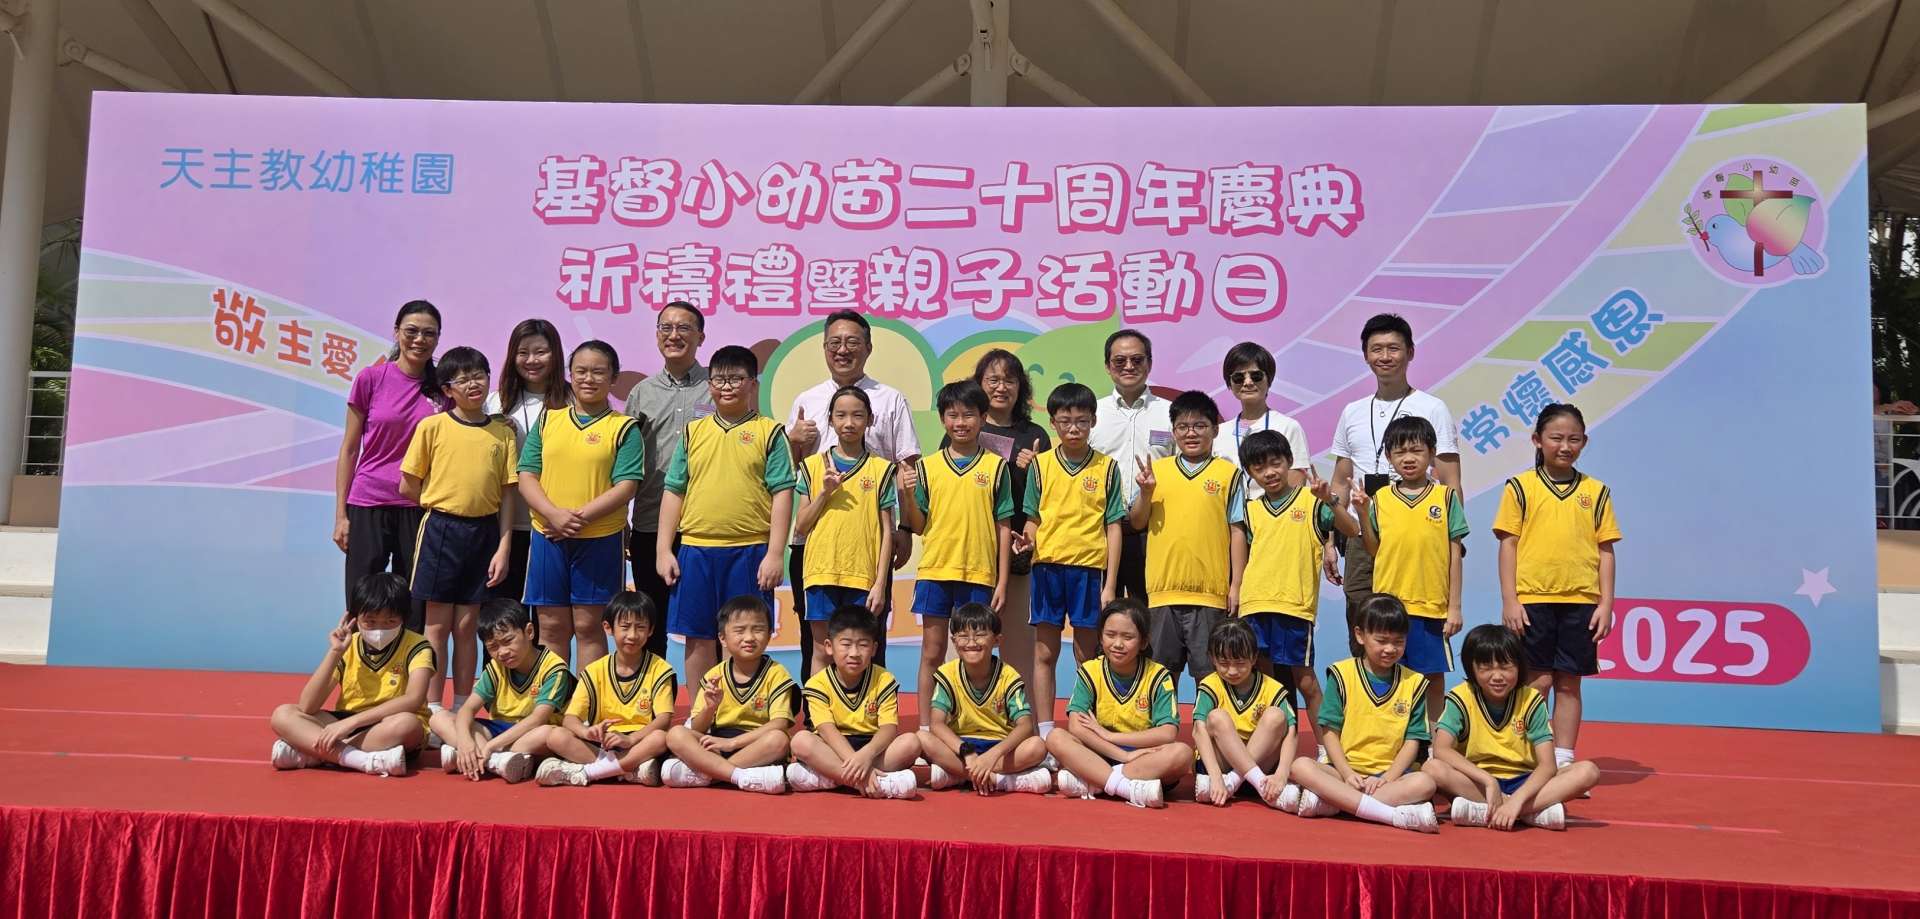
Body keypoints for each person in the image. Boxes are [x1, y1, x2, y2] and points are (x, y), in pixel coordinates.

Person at [787, 310, 921, 677]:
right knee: (815, 641)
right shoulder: (807, 399)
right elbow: (789, 472)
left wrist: (904, 529)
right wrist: (793, 442)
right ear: (824, 347)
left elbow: (906, 466)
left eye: (852, 342)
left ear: (868, 348)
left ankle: (870, 707)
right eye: (834, 343)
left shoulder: (890, 399)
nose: (842, 350)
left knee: (869, 639)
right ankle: (819, 709)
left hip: (867, 544)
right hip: (814, 545)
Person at [658, 345, 796, 690]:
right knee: (698, 637)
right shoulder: (693, 433)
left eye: (736, 379)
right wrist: (664, 550)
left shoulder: (770, 432)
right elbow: (674, 491)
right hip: (696, 550)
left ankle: (740, 712)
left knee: (745, 637)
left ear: (752, 384)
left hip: (749, 551)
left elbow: (782, 493)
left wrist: (774, 553)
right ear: (709, 385)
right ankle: (701, 712)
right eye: (719, 379)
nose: (727, 386)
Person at [1495, 404, 1620, 772]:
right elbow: (1508, 545)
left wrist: (1606, 604)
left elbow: (1606, 550)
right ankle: (1529, 758)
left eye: (1574, 439)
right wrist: (1510, 600)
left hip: (1581, 601)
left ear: (1584, 442)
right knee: (1537, 681)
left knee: (1569, 683)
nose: (1565, 446)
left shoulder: (1596, 492)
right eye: (1556, 438)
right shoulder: (1520, 487)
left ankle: (1563, 760)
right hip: (1532, 600)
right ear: (1537, 440)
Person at [1328, 314, 1459, 650]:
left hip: (1414, 533)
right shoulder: (1352, 411)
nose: (1385, 356)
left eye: (1393, 348)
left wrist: (1452, 541)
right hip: (1361, 532)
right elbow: (1341, 480)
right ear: (1365, 355)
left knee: (1411, 628)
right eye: (1376, 349)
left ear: (1410, 352)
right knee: (1363, 625)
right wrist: (1329, 539)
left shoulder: (1433, 408)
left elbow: (1449, 480)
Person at [399, 346, 517, 714]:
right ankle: (434, 708)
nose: (472, 384)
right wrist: (444, 502)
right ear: (447, 389)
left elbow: (508, 494)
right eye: (462, 379)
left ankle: (464, 707)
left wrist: (504, 546)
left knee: (467, 627)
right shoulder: (432, 427)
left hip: (484, 533)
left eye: (478, 375)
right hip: (440, 530)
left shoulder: (502, 433)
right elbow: (408, 485)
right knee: (436, 626)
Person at [516, 341, 643, 665]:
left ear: (613, 378)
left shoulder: (624, 428)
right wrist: (552, 515)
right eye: (581, 371)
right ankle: (554, 695)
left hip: (600, 540)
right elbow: (527, 475)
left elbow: (626, 486)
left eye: (598, 372)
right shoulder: (548, 420)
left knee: (589, 627)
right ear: (570, 375)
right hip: (548, 536)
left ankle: (587, 696)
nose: (589, 378)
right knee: (551, 627)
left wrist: (575, 519)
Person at [898, 380, 1014, 732]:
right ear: (942, 419)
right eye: (952, 415)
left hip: (979, 573)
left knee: (977, 654)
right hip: (935, 571)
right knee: (932, 652)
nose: (960, 423)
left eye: (968, 415)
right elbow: (919, 525)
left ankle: (973, 726)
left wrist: (1002, 581)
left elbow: (1003, 526)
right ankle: (925, 730)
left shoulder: (996, 467)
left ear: (983, 418)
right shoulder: (927, 467)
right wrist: (907, 495)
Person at [1232, 430, 1358, 742]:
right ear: (1249, 473)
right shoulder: (1250, 510)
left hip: (1294, 607)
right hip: (1254, 605)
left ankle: (1328, 750)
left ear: (1290, 461)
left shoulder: (1312, 502)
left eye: (1275, 463)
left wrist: (1329, 500)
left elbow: (1352, 529)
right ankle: (1272, 749)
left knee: (1306, 683)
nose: (1269, 472)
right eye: (1259, 467)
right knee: (1264, 683)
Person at [1015, 382, 1124, 742]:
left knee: (1086, 656)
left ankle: (1086, 731)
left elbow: (1113, 527)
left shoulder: (1107, 468)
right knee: (1045, 653)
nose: (1073, 428)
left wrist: (1110, 585)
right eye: (1065, 421)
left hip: (1089, 572)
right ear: (1053, 423)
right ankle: (1046, 733)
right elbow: (1032, 518)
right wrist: (1026, 540)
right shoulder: (1041, 466)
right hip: (1047, 570)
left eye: (1081, 421)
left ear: (1093, 421)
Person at [334, 300, 444, 630]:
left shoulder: (444, 387)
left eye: (429, 333)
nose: (420, 339)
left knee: (415, 605)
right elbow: (349, 449)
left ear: (438, 338)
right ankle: (356, 662)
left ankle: (410, 664)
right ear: (396, 332)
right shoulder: (371, 378)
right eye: (412, 331)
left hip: (420, 505)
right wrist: (341, 515)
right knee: (362, 602)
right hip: (369, 502)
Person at [1286, 595, 1438, 832]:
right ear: (1360, 635)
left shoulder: (1415, 682)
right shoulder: (1342, 674)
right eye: (1381, 640)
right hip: (1343, 772)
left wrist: (1387, 777)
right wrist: (1347, 773)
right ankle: (1388, 814)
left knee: (1425, 782)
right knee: (1300, 767)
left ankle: (1336, 803)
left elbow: (1413, 741)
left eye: (1398, 641)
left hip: (1389, 777)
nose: (1390, 649)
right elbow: (1329, 732)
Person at [1424, 625, 1600, 830]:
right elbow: (1441, 749)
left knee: (1588, 771)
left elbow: (1547, 766)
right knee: (1431, 768)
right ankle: (1530, 813)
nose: (1497, 676)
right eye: (1486, 667)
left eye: (1505, 667)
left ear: (1519, 666)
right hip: (1477, 781)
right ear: (1472, 667)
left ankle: (1496, 811)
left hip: (1525, 782)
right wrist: (1488, 781)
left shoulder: (1531, 700)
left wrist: (1516, 802)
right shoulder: (1461, 697)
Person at [1127, 390, 1244, 687]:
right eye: (1183, 427)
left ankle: (1211, 722)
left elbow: (1237, 530)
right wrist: (1146, 493)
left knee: (1212, 679)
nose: (1191, 433)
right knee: (1161, 679)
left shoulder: (1228, 474)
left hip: (1210, 594)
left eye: (1200, 426)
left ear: (1215, 430)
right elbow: (1137, 522)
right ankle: (1165, 722)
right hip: (1162, 592)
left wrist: (1236, 585)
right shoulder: (1156, 471)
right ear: (1173, 431)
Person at [1353, 416, 1466, 722]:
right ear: (1389, 458)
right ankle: (1393, 738)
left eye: (1416, 450)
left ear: (1432, 454)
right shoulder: (1381, 499)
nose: (1408, 458)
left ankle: (1433, 741)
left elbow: (1455, 554)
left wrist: (1454, 607)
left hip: (1431, 606)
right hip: (1389, 607)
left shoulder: (1445, 497)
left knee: (1432, 678)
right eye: (1400, 452)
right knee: (1388, 676)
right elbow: (1374, 549)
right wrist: (1363, 512)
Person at [268, 572, 429, 777]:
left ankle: (318, 753)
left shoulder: (417, 645)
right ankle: (360, 760)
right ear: (354, 618)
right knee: (283, 714)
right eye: (370, 621)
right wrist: (335, 652)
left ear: (404, 618)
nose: (379, 629)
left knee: (408, 725)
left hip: (385, 724)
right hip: (345, 722)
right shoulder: (348, 645)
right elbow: (307, 705)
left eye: (390, 621)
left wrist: (350, 724)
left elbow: (414, 699)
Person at [956, 349, 1051, 679]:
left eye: (1009, 380)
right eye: (993, 379)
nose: (1001, 387)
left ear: (1021, 387)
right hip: (970, 552)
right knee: (969, 642)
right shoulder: (963, 430)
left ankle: (1020, 709)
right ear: (979, 384)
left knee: (1019, 644)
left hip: (1017, 551)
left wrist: (1037, 470)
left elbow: (1049, 497)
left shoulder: (1035, 435)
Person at [1045, 598, 1192, 808]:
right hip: (1100, 753)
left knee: (1182, 754)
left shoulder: (1159, 676)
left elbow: (1168, 732)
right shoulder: (1090, 671)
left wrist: (1112, 736)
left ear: (1144, 641)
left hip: (1144, 758)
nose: (1118, 644)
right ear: (1100, 636)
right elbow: (1076, 726)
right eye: (1110, 635)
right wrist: (1122, 754)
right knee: (1055, 737)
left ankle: (1096, 781)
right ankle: (1125, 788)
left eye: (1128, 637)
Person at [791, 386, 896, 678]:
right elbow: (801, 525)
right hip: (820, 573)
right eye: (841, 415)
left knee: (858, 652)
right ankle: (818, 707)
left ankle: (860, 708)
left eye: (857, 415)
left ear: (870, 420)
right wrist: (825, 492)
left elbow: (887, 532)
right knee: (822, 650)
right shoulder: (812, 466)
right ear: (830, 420)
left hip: (862, 575)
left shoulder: (882, 470)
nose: (849, 423)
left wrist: (879, 584)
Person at [624, 302, 709, 655]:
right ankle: (654, 690)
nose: (674, 335)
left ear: (700, 337)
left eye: (684, 328)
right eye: (666, 328)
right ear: (657, 335)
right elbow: (625, 462)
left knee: (708, 626)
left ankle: (712, 692)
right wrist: (621, 519)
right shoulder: (641, 393)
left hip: (705, 527)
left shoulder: (718, 388)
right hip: (650, 522)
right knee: (649, 623)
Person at [532, 592, 677, 787]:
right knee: (556, 736)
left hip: (639, 741)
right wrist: (587, 732)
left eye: (640, 627)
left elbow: (663, 719)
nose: (632, 635)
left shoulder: (661, 669)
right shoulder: (593, 671)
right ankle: (629, 771)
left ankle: (590, 772)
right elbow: (570, 719)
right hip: (602, 743)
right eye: (625, 627)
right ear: (608, 628)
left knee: (660, 738)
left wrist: (630, 739)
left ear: (651, 630)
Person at [661, 595, 794, 794]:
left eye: (758, 629)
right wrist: (709, 708)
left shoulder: (777, 673)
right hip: (717, 745)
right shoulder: (714, 675)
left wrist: (732, 743)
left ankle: (709, 775)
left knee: (779, 740)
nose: (749, 638)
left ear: (769, 635)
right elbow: (697, 727)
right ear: (722, 638)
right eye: (739, 631)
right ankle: (738, 776)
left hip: (756, 746)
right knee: (675, 735)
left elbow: (779, 723)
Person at [430, 598, 572, 784]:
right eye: (493, 647)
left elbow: (538, 719)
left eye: (508, 641)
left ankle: (473, 757)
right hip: (500, 730)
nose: (503, 652)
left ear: (529, 632)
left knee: (547, 734)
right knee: (439, 718)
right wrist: (465, 741)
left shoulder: (554, 669)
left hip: (531, 733)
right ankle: (494, 761)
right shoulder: (496, 667)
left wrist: (491, 746)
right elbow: (467, 709)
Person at [786, 608, 920, 799]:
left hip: (872, 749)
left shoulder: (884, 679)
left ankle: (830, 779)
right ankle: (869, 782)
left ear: (874, 649)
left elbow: (888, 728)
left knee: (911, 743)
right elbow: (827, 731)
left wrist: (865, 756)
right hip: (833, 748)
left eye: (863, 645)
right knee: (800, 741)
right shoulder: (817, 683)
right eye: (846, 644)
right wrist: (857, 765)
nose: (854, 653)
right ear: (829, 646)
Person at [922, 602, 1053, 795]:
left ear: (997, 640)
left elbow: (1025, 726)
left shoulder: (1009, 677)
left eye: (980, 635)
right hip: (962, 747)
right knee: (922, 739)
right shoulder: (947, 674)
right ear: (954, 641)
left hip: (1000, 748)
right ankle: (1002, 780)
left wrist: (991, 756)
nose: (971, 643)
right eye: (963, 636)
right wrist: (967, 752)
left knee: (1037, 747)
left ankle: (960, 775)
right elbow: (936, 724)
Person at [485, 319, 569, 604]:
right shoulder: (494, 403)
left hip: (555, 526)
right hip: (504, 528)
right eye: (523, 353)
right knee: (504, 615)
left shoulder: (575, 401)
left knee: (549, 619)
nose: (532, 360)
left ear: (556, 354)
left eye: (541, 352)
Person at [1089, 330, 1172, 604]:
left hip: (1155, 531)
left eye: (1137, 360)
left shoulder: (1171, 414)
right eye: (1119, 360)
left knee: (1150, 614)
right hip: (1100, 531)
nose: (1129, 366)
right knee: (1101, 614)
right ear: (1107, 366)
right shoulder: (1092, 414)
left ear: (1149, 363)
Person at [1192, 618, 1296, 808]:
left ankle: (1234, 781)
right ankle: (1259, 785)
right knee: (1216, 717)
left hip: (1261, 765)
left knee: (1276, 716)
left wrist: (1282, 774)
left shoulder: (1272, 688)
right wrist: (1215, 776)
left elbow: (1292, 733)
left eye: (1240, 663)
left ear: (1254, 658)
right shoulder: (1210, 684)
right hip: (1222, 766)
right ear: (1212, 658)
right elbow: (1198, 730)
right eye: (1224, 663)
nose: (1232, 671)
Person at [1214, 342, 1309, 484]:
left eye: (1256, 376)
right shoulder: (1218, 433)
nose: (1248, 382)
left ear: (1269, 379)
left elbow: (1295, 485)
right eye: (1238, 378)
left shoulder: (1288, 427)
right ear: (1230, 383)